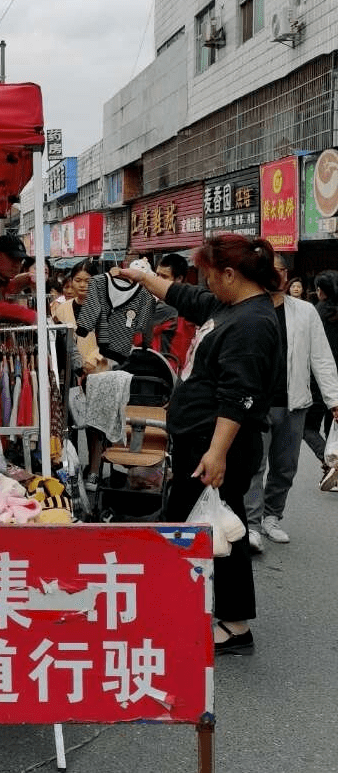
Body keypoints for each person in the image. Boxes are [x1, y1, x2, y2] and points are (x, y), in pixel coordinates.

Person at [115, 235, 281, 654]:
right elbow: (183, 295)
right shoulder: (229, 306)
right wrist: (142, 276)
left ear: (230, 274)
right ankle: (208, 612)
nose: (203, 284)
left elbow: (239, 396)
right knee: (212, 526)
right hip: (201, 441)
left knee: (218, 528)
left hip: (217, 445)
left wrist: (217, 452)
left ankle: (234, 625)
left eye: (208, 275)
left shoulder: (252, 323)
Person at [243, 254, 338, 549]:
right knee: (255, 465)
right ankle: (252, 524)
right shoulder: (249, 307)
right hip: (256, 403)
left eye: (280, 270)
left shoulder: (306, 312)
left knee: (285, 467)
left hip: (295, 401)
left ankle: (272, 516)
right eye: (269, 270)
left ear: (286, 274)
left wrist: (334, 400)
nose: (275, 275)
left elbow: (321, 358)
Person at [304, 270, 338, 490]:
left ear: (321, 291)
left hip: (319, 381)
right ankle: (332, 466)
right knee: (332, 426)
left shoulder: (316, 313)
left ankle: (330, 461)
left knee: (307, 427)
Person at [150, 253, 197, 369]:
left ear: (179, 279)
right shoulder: (193, 302)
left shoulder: (166, 309)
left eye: (164, 277)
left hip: (167, 372)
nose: (158, 281)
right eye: (157, 275)